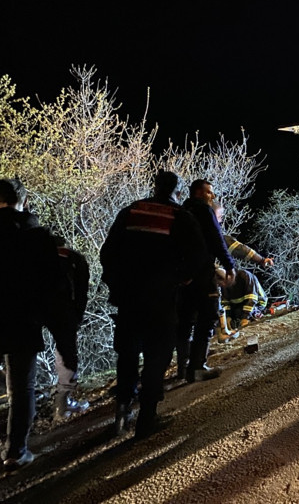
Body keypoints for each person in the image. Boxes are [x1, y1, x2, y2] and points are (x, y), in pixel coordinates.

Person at [100, 171, 205, 439]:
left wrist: (116, 284)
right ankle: (147, 419)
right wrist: (182, 279)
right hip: (161, 299)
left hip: (129, 298)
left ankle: (122, 413)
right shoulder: (181, 216)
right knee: (157, 355)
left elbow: (107, 253)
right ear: (177, 192)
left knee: (127, 353)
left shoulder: (131, 211)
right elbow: (197, 255)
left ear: (155, 187)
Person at [0, 178, 61, 475]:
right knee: (21, 388)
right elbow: (52, 283)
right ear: (24, 201)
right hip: (23, 321)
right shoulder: (37, 235)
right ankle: (16, 452)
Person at [175, 179, 236, 382]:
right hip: (202, 273)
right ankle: (197, 366)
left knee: (185, 321)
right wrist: (229, 266)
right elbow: (216, 239)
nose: (213, 196)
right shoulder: (204, 210)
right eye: (210, 192)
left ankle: (183, 368)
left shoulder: (180, 212)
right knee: (207, 317)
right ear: (200, 193)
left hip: (183, 278)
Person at [212, 202, 273, 334]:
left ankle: (220, 328)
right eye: (219, 217)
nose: (220, 221)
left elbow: (239, 249)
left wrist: (261, 260)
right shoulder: (213, 237)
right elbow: (238, 249)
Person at [48, 236, 91, 422]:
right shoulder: (74, 258)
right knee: (66, 353)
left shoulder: (32, 255)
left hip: (33, 310)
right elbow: (82, 289)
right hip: (65, 310)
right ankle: (63, 403)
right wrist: (77, 315)